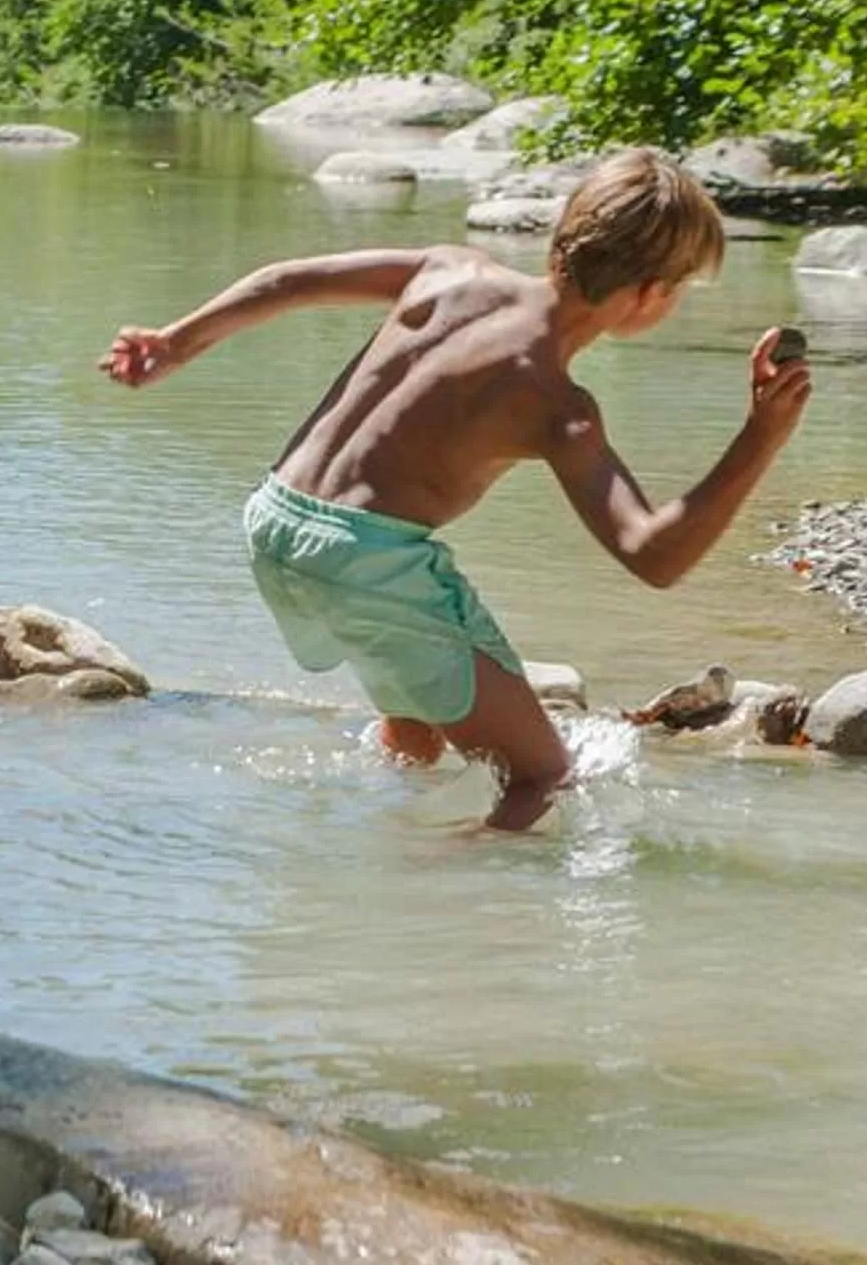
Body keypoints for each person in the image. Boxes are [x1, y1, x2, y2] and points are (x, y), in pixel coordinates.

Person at [100, 148, 811, 830]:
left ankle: (381, 830)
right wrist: (762, 435)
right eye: (682, 289)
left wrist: (175, 342)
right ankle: (434, 893)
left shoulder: (452, 270)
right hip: (364, 560)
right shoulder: (558, 407)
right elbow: (654, 555)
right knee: (542, 776)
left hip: (275, 519)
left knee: (417, 730)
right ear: (652, 294)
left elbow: (288, 281)